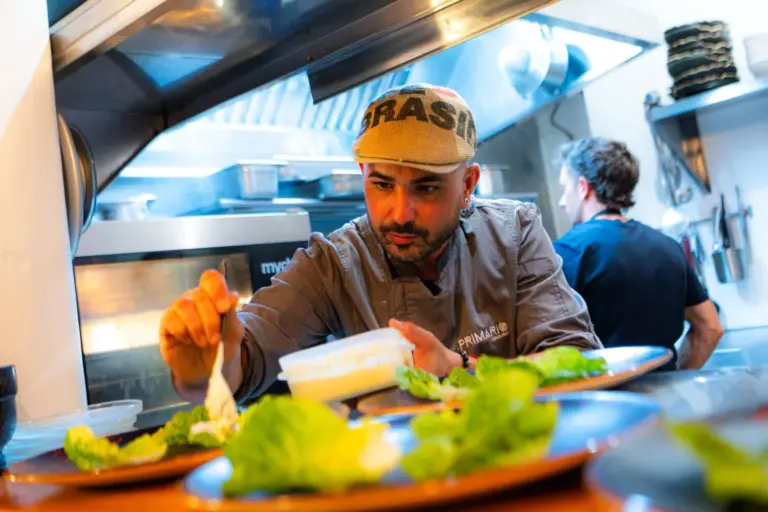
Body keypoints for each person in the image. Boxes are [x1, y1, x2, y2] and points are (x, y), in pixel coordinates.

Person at [159, 84, 602, 405]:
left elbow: (579, 358)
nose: (400, 212)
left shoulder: (514, 233)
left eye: (426, 188)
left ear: (468, 184)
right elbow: (248, 359)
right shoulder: (334, 263)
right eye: (382, 184)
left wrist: (460, 369)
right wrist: (207, 366)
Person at [553, 137, 724, 371]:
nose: (563, 201)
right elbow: (710, 327)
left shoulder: (567, 252)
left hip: (608, 402)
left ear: (583, 188)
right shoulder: (668, 246)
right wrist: (676, 377)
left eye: (565, 188)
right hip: (668, 400)